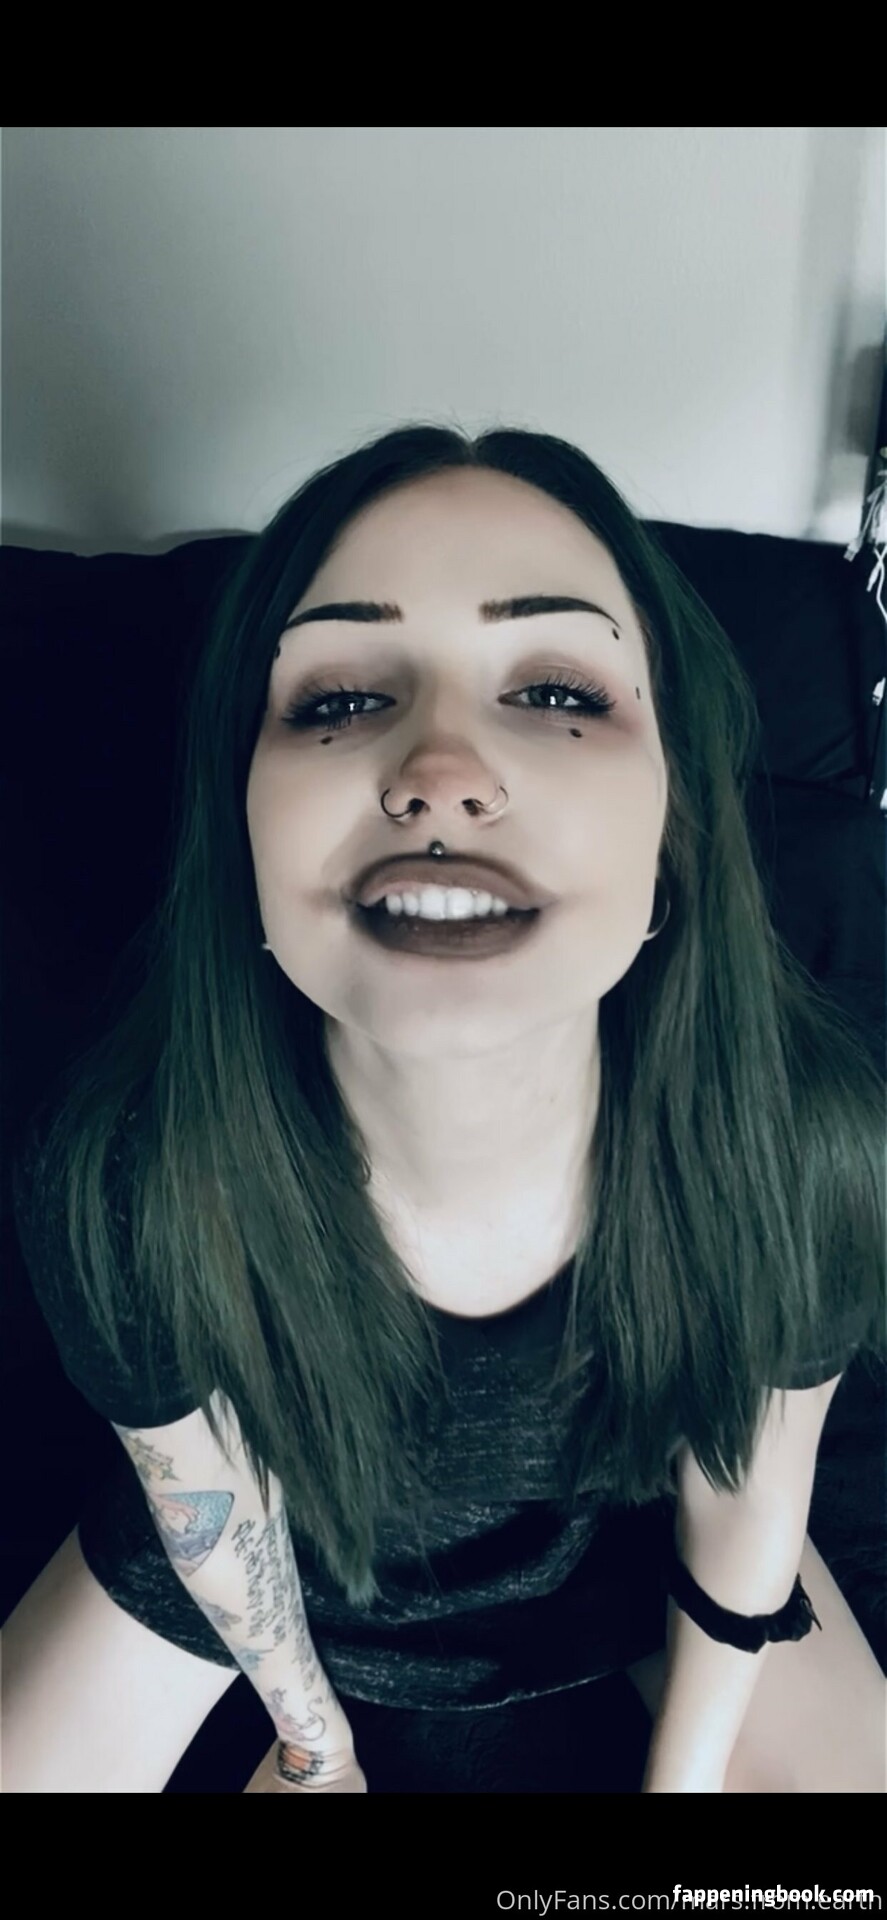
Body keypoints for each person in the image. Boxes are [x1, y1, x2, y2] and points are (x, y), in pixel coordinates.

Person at [5, 424, 885, 1794]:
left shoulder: (805, 1145)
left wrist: (688, 1776)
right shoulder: (125, 1168)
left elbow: (750, 1495)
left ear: (673, 826)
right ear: (243, 826)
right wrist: (313, 1747)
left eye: (558, 689)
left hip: (619, 1558)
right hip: (255, 1570)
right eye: (341, 698)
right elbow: (208, 1505)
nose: (441, 771)